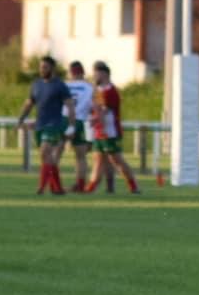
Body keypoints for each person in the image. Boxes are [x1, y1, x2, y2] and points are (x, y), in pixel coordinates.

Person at [17, 56, 75, 195]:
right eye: (41, 67)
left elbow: (70, 106)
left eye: (45, 67)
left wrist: (71, 126)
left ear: (52, 68)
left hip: (54, 124)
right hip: (40, 125)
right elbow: (29, 103)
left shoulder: (60, 85)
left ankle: (41, 187)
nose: (42, 70)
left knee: (44, 152)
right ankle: (57, 188)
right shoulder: (36, 84)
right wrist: (20, 120)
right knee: (47, 158)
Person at [83, 61, 140, 195]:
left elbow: (104, 111)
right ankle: (92, 186)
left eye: (96, 73)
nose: (94, 76)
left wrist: (94, 120)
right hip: (99, 131)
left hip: (110, 132)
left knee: (117, 160)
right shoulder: (97, 91)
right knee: (98, 160)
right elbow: (95, 109)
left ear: (104, 74)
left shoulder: (111, 92)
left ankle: (133, 185)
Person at [63, 61, 95, 192]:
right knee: (81, 156)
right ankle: (80, 185)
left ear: (70, 72)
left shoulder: (64, 85)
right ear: (83, 72)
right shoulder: (90, 87)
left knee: (56, 152)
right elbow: (94, 108)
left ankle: (53, 183)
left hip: (64, 120)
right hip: (80, 121)